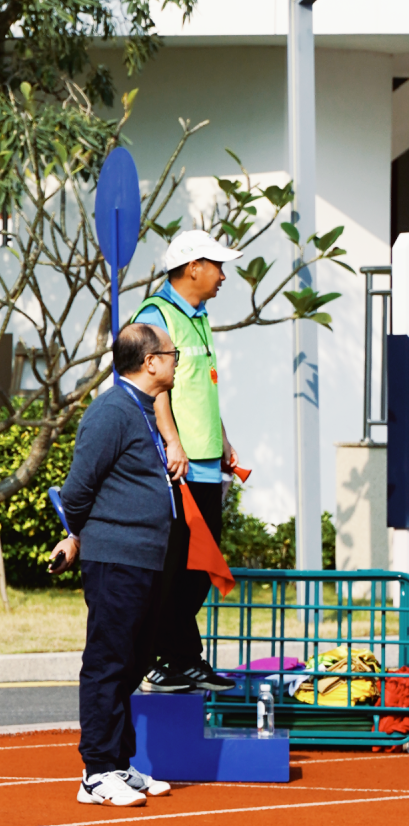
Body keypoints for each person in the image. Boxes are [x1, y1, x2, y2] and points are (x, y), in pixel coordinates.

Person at [52, 322, 180, 808]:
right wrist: (77, 536)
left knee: (132, 661)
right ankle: (96, 771)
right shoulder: (110, 411)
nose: (175, 361)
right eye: (172, 354)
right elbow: (78, 488)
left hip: (145, 557)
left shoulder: (141, 409)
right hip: (116, 558)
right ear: (150, 362)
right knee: (108, 662)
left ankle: (119, 764)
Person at [131, 228, 238, 694]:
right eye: (217, 266)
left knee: (198, 571)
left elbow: (201, 386)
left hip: (208, 461)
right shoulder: (155, 317)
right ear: (193, 266)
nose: (223, 276)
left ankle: (178, 659)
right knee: (183, 570)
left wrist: (225, 440)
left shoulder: (199, 318)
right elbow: (154, 389)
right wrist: (172, 442)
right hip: (181, 466)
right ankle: (171, 658)